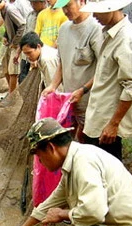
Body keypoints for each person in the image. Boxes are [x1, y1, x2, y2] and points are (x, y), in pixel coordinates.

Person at [81, 0, 132, 161]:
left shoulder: (126, 38)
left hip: (107, 124)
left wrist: (113, 124)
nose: (94, 15)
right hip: (98, 115)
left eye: (98, 11)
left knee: (108, 172)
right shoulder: (109, 32)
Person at [42, 0, 103, 142]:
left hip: (90, 102)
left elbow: (103, 69)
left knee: (89, 141)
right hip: (69, 101)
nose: (65, 11)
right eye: (62, 8)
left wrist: (83, 90)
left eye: (68, 6)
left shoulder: (96, 29)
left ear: (82, 1)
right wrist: (53, 86)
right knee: (67, 140)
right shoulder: (64, 29)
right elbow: (62, 63)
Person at [0, 0, 26, 93]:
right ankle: (11, 92)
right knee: (5, 68)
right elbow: (8, 25)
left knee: (13, 71)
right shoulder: (3, 11)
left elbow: (22, 25)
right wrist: (6, 35)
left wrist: (15, 42)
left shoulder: (10, 10)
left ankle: (12, 96)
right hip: (10, 43)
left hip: (17, 45)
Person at [19, 0, 48, 84]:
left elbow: (39, 36)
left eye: (35, 3)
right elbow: (25, 32)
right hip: (27, 53)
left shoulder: (45, 15)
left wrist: (36, 57)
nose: (32, 5)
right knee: (23, 78)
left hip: (37, 52)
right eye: (31, 2)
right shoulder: (30, 15)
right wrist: (18, 51)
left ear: (43, 2)